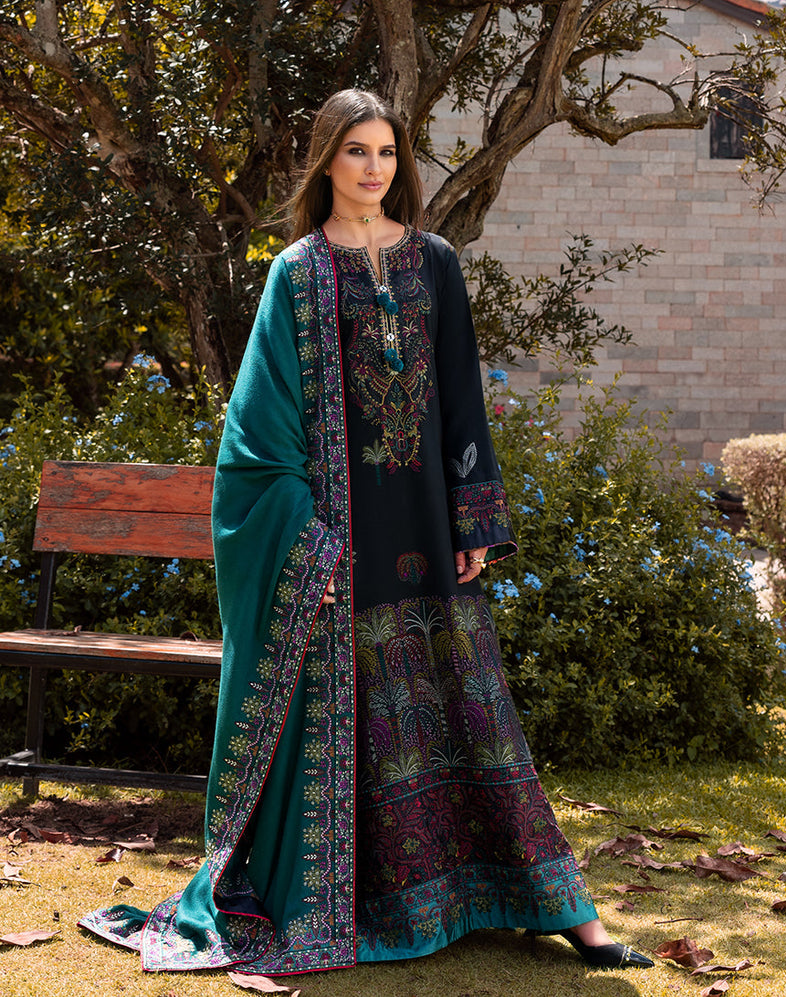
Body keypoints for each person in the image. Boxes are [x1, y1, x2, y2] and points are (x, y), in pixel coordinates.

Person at [79, 89, 653, 975]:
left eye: (387, 152)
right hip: (341, 539)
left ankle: (569, 913)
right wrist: (310, 537)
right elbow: (254, 438)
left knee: (475, 704)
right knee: (352, 713)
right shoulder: (297, 273)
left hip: (426, 519)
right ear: (326, 163)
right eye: (356, 151)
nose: (374, 168)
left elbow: (461, 396)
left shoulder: (435, 263)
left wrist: (475, 518)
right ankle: (367, 897)